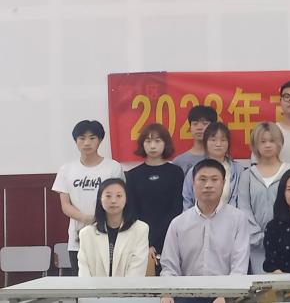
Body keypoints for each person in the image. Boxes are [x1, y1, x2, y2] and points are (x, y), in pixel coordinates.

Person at [161, 159, 249, 303]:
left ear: (223, 183)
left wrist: (227, 295)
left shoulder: (238, 219)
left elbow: (239, 266)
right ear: (193, 183)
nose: (208, 185)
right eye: (202, 179)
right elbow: (169, 266)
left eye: (214, 179)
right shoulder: (179, 223)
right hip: (186, 294)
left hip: (226, 294)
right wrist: (168, 293)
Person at [52, 119, 125, 275]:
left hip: (109, 234)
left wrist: (100, 218)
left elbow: (119, 199)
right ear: (75, 140)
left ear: (100, 140)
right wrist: (85, 218)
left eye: (92, 138)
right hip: (77, 238)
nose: (87, 143)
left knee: (110, 283)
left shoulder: (113, 167)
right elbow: (65, 205)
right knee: (82, 284)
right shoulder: (66, 169)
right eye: (82, 138)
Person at [126, 123, 184, 274]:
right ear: (142, 144)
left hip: (171, 237)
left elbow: (177, 208)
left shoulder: (176, 172)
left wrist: (157, 241)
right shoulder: (132, 175)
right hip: (141, 241)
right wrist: (147, 242)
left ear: (165, 143)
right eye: (148, 141)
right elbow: (132, 211)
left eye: (158, 141)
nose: (152, 146)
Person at [237, 122, 290, 274]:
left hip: (287, 242)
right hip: (256, 246)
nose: (268, 145)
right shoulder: (247, 175)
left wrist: (284, 234)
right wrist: (257, 237)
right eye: (263, 141)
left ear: (280, 143)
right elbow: (243, 208)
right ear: (255, 145)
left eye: (272, 140)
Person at [77, 178, 150, 277]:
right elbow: (84, 273)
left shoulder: (140, 230)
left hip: (130, 287)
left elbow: (136, 272)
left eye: (119, 196)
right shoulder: (86, 234)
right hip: (94, 287)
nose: (113, 201)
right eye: (108, 196)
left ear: (126, 199)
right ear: (100, 199)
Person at [182, 121, 247, 210]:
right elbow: (188, 201)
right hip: (200, 217)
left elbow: (243, 201)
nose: (218, 144)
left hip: (231, 217)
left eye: (223, 140)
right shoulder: (194, 171)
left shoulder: (238, 170)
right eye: (213, 140)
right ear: (205, 142)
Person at [173, 105, 218, 174]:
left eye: (205, 124)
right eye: (195, 124)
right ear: (190, 127)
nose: (199, 128)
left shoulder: (221, 158)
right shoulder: (179, 162)